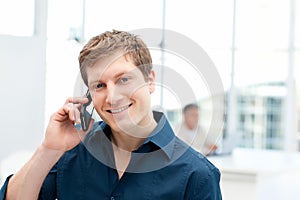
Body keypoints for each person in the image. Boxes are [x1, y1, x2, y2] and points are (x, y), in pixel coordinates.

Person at [0, 30, 222, 199]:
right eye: (99, 85)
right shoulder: (71, 153)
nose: (113, 97)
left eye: (123, 80)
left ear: (150, 80)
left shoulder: (197, 175)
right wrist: (49, 150)